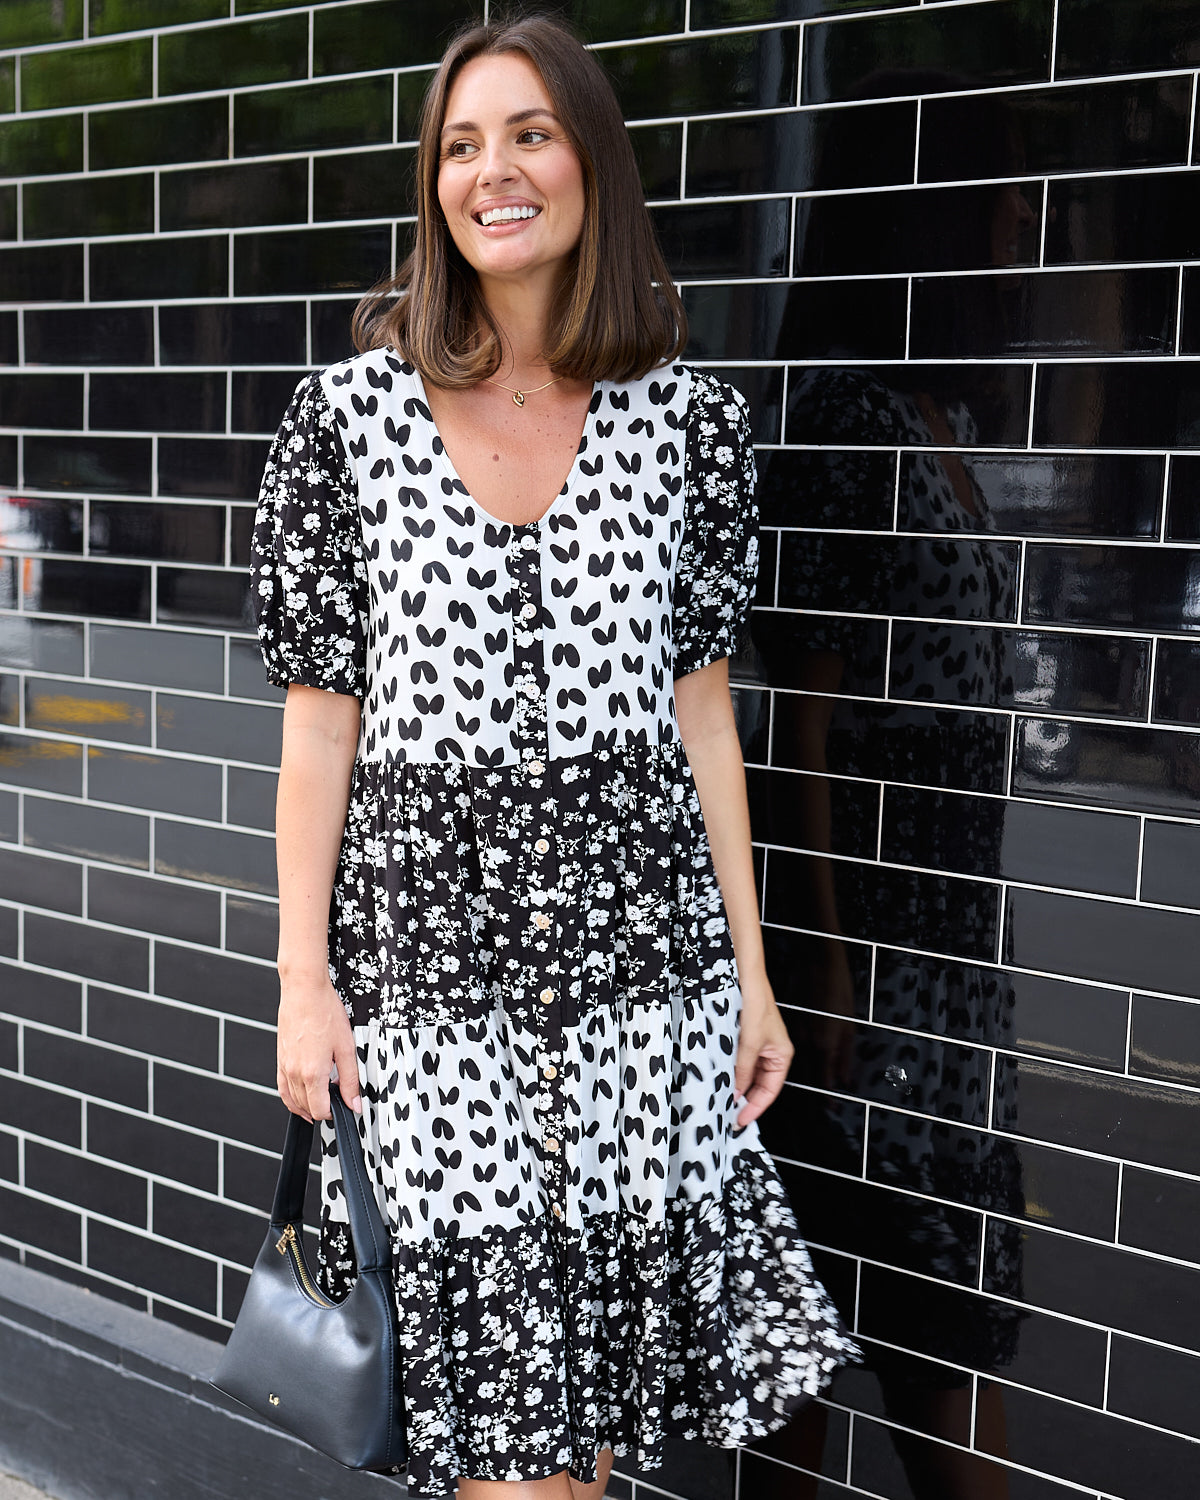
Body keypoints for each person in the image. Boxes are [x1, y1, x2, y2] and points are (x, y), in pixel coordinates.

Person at [248, 12, 859, 1500]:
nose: (493, 171)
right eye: (462, 145)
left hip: (643, 993)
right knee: (507, 1447)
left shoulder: (690, 425)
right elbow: (319, 727)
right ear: (434, 187)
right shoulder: (347, 421)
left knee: (577, 1439)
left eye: (529, 133)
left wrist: (753, 975)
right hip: (432, 997)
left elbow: (704, 717)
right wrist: (303, 986)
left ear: (592, 163)